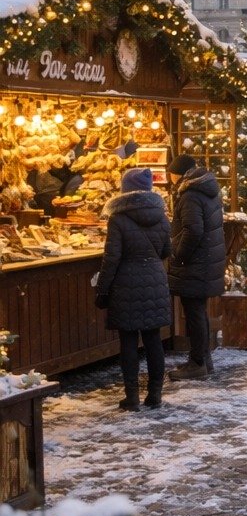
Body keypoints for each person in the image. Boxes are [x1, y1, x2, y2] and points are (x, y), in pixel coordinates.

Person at [95, 166, 172, 411]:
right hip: (155, 280)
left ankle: (132, 397)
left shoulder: (118, 219)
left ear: (125, 190)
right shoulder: (162, 217)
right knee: (153, 340)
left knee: (128, 342)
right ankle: (155, 394)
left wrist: (102, 290)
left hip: (125, 284)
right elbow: (166, 251)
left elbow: (111, 259)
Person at [166, 154, 226, 382]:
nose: (170, 178)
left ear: (178, 174)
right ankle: (203, 359)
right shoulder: (205, 190)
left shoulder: (190, 195)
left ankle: (197, 363)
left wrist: (179, 254)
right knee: (198, 312)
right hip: (206, 261)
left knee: (194, 313)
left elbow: (193, 230)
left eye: (171, 174)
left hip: (196, 263)